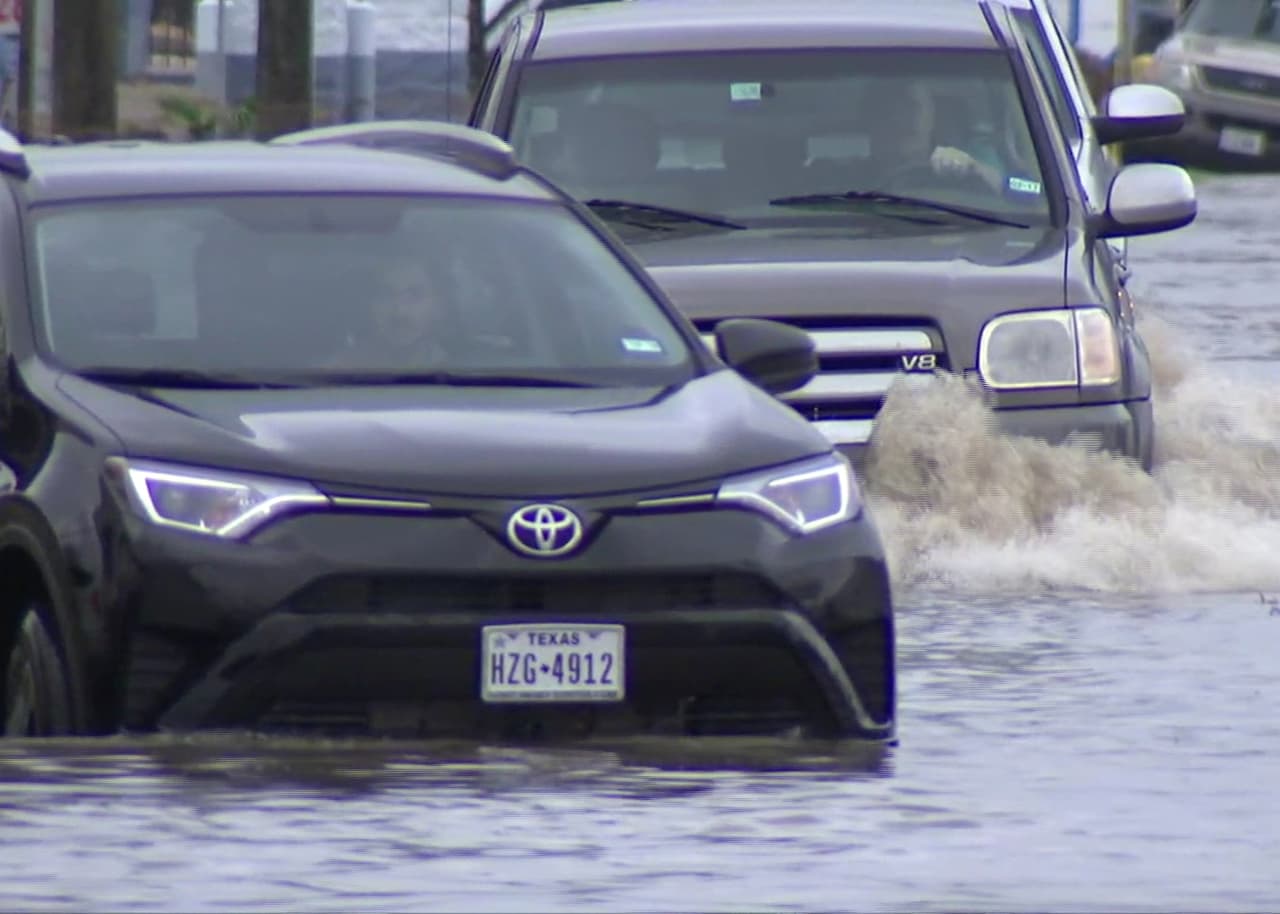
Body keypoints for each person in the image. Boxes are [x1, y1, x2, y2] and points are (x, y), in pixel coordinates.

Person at [863, 81, 1011, 195]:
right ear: (870, 120)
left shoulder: (969, 165)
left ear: (932, 114)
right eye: (890, 109)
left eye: (912, 105)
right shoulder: (845, 179)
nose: (901, 117)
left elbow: (1030, 191)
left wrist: (978, 171)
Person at [332, 259, 457, 367]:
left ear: (439, 306)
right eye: (386, 295)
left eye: (415, 295)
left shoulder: (465, 372)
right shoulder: (334, 376)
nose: (400, 311)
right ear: (369, 306)